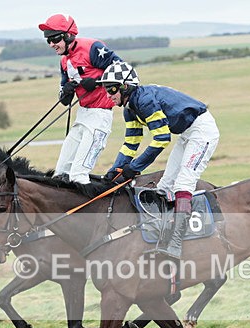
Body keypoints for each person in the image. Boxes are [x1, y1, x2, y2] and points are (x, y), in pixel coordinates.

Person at [99, 61, 220, 259]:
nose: (108, 95)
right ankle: (164, 234)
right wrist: (116, 169)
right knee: (164, 185)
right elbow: (131, 142)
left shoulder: (144, 101)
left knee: (184, 181)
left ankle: (176, 243)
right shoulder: (129, 108)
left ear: (125, 86)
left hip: (202, 130)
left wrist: (134, 168)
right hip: (186, 134)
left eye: (111, 89)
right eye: (106, 90)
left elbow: (162, 138)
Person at [38, 14, 123, 185]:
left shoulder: (92, 47)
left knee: (78, 175)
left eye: (54, 39)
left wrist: (98, 82)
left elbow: (123, 70)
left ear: (68, 35)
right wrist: (66, 92)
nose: (51, 44)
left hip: (100, 117)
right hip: (82, 116)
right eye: (48, 40)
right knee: (60, 175)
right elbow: (64, 100)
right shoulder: (64, 61)